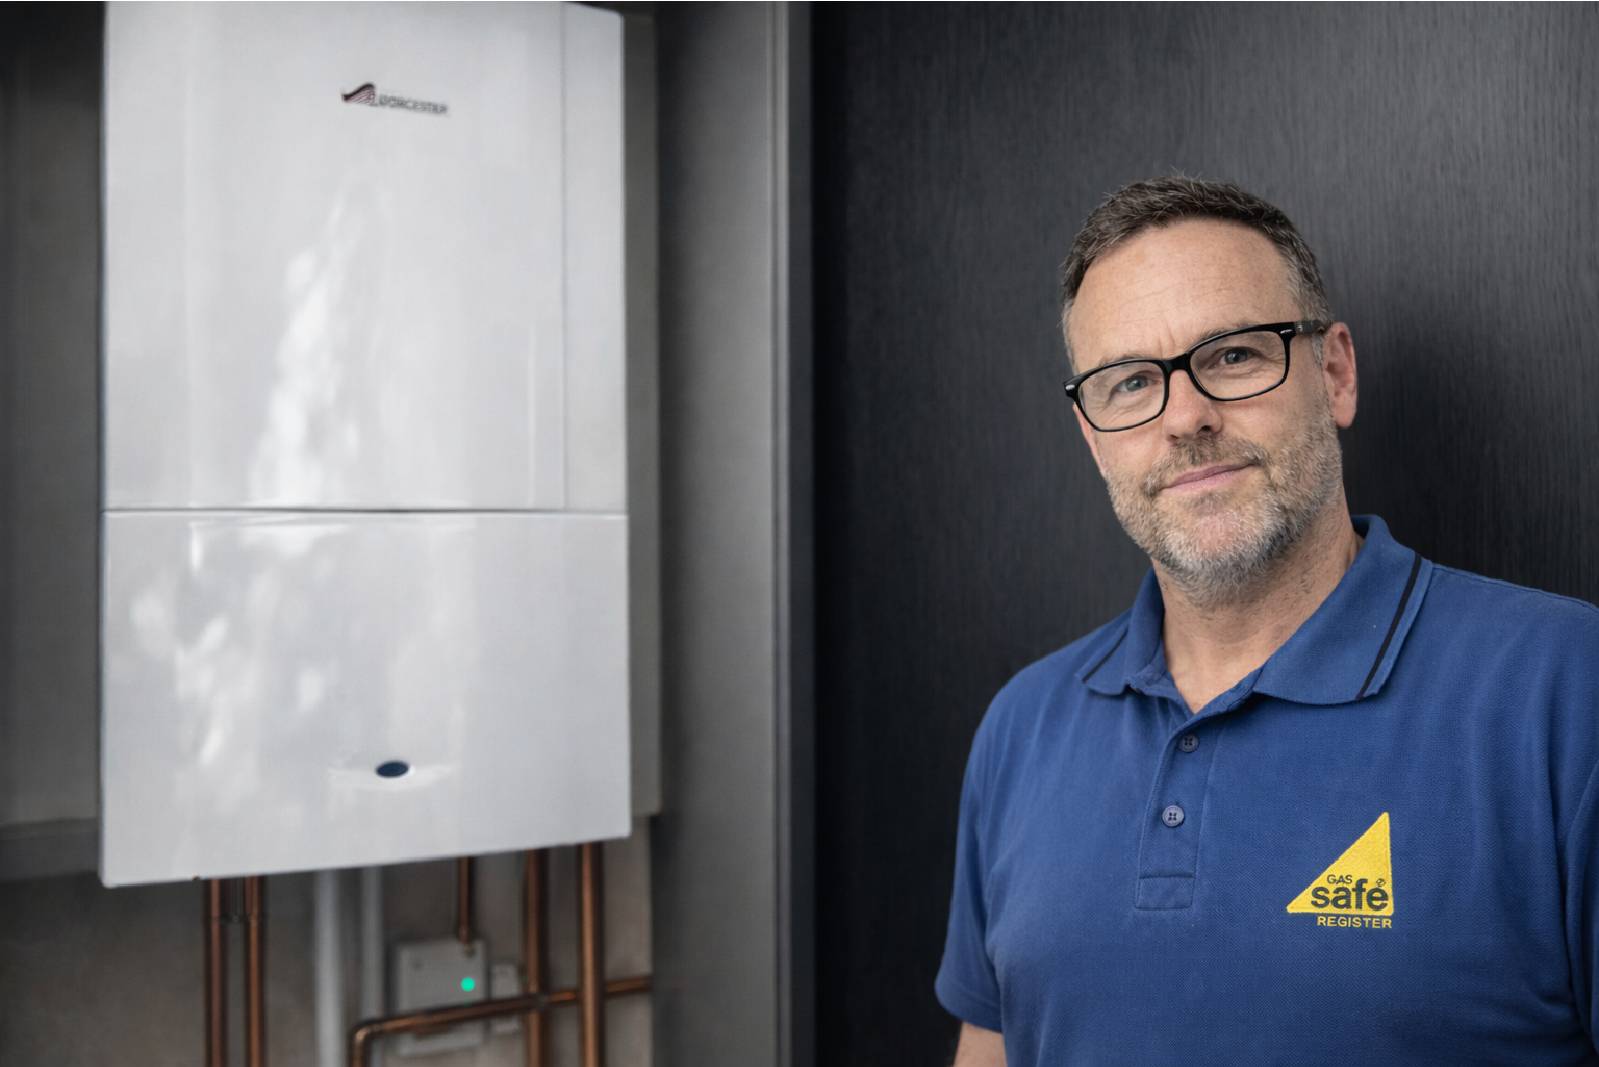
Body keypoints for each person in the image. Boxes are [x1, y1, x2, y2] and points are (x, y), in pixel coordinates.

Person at [935, 177, 1599, 1066]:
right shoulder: (1023, 726)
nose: (1185, 418)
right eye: (1130, 382)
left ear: (1333, 373)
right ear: (1093, 437)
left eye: (1233, 357)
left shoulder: (1564, 690)